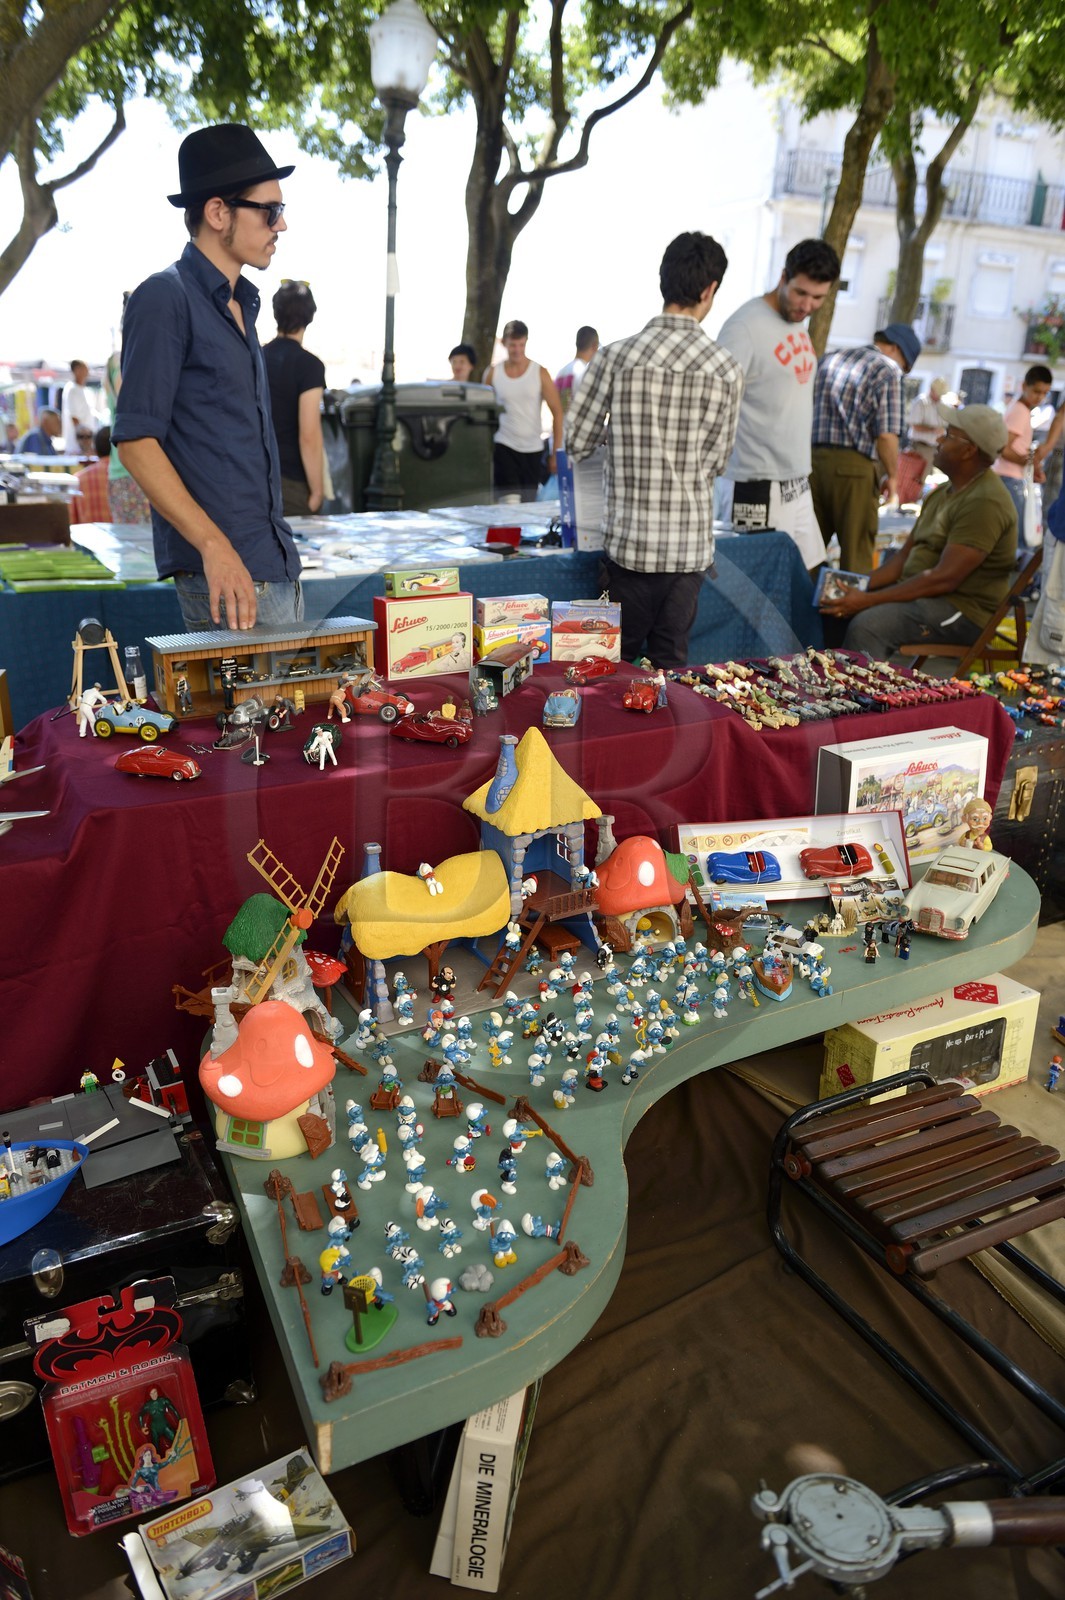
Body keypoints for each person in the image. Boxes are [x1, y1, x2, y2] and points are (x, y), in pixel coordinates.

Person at [113, 123, 302, 631]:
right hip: (223, 575)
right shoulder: (165, 297)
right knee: (251, 715)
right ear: (218, 212)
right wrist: (214, 545)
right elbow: (134, 440)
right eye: (270, 211)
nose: (280, 226)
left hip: (268, 565)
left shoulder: (244, 302)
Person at [565, 231, 744, 664]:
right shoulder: (727, 368)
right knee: (670, 667)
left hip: (629, 550)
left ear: (663, 281)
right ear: (709, 290)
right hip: (688, 554)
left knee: (612, 666)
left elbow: (576, 441)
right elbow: (718, 461)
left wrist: (621, 432)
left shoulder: (615, 357)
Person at [819, 402, 1016, 660]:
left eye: (948, 434)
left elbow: (943, 578)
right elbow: (902, 560)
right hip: (927, 596)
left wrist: (866, 600)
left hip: (961, 611)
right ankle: (830, 690)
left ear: (969, 451)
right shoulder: (942, 493)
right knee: (832, 607)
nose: (938, 439)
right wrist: (856, 586)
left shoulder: (985, 502)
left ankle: (863, 698)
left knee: (868, 624)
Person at [716, 238, 840, 570]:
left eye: (818, 298)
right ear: (783, 277)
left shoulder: (797, 321)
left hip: (796, 480)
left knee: (808, 577)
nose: (808, 305)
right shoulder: (744, 327)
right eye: (801, 293)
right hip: (754, 483)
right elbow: (712, 405)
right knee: (758, 590)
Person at [810, 320, 920, 573]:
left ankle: (800, 609)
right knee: (856, 555)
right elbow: (886, 435)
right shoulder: (887, 368)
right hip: (854, 468)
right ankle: (847, 611)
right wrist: (892, 476)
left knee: (809, 552)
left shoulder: (829, 359)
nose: (902, 372)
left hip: (811, 463)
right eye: (905, 367)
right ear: (895, 349)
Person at [262, 280, 326, 517]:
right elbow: (309, 435)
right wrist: (317, 492)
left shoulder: (256, 357)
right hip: (291, 482)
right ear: (309, 316)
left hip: (254, 478)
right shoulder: (310, 366)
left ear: (276, 312)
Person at [485, 320, 564, 502]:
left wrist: (555, 453)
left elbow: (557, 412)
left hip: (533, 449)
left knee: (527, 508)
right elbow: (483, 411)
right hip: (504, 444)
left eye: (521, 344)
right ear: (504, 343)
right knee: (509, 504)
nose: (517, 350)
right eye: (513, 345)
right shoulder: (493, 373)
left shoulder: (540, 372)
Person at [993, 363, 1053, 538]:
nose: (1040, 397)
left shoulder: (1021, 409)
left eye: (1044, 393)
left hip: (1011, 476)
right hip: (1009, 477)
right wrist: (1026, 462)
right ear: (1024, 386)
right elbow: (1003, 448)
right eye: (1036, 391)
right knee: (1015, 534)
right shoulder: (1020, 411)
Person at [897, 375, 950, 505]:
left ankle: (915, 499)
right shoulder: (921, 402)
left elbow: (945, 425)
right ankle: (905, 501)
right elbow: (915, 424)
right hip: (920, 445)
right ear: (931, 389)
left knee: (925, 477)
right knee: (913, 476)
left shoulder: (943, 405)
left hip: (935, 447)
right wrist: (932, 429)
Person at [69, 426, 113, 524]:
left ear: (95, 449)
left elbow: (71, 521)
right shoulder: (132, 477)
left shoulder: (78, 479)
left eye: (88, 437)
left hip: (87, 538)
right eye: (81, 436)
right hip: (122, 538)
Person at [554, 326, 599, 414]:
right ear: (594, 346)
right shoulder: (586, 371)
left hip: (562, 425)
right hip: (578, 425)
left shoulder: (561, 373)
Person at [61, 361, 98, 454]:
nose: (87, 371)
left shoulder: (86, 391)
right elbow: (74, 417)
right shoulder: (72, 389)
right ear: (77, 370)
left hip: (87, 444)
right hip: (77, 446)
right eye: (84, 368)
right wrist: (84, 441)